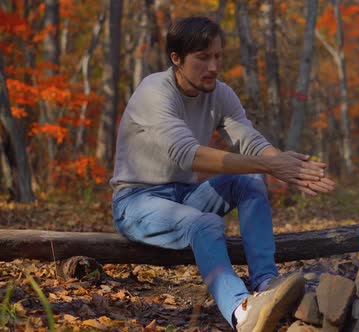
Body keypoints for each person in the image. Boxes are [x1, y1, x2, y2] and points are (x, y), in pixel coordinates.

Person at [109, 16, 335, 331]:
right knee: (205, 223)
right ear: (176, 59)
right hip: (136, 202)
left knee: (250, 180)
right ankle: (242, 313)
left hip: (185, 197)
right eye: (203, 57)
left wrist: (288, 165)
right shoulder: (154, 91)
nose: (213, 66)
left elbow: (251, 141)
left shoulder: (220, 93)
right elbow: (188, 155)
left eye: (217, 56)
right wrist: (271, 165)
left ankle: (267, 284)